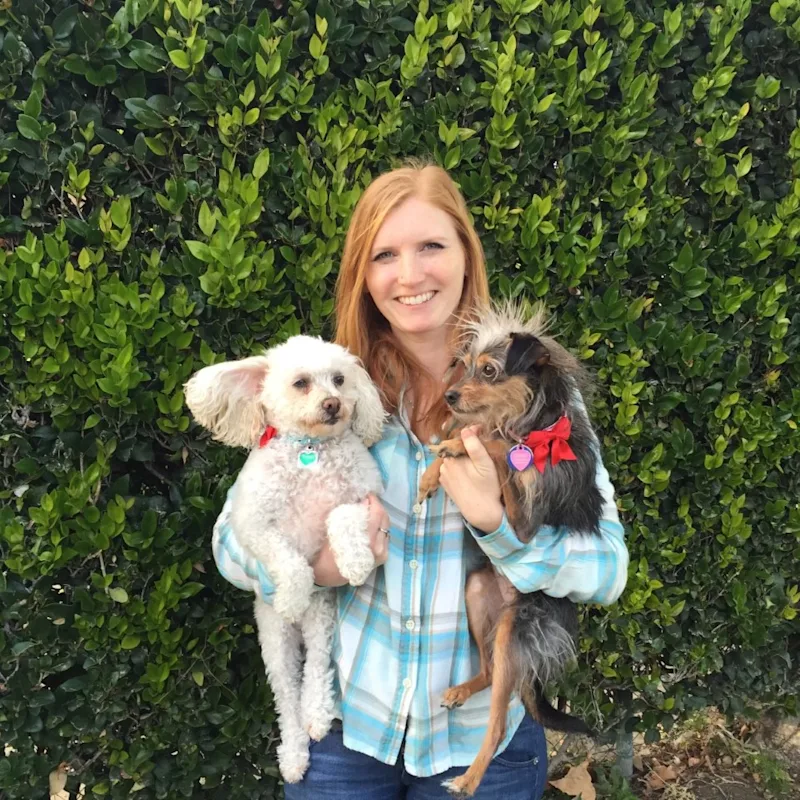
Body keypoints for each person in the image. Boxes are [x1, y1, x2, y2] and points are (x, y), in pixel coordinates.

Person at [211, 159, 628, 799]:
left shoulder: (533, 400)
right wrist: (312, 568)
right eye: (384, 255)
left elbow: (606, 568)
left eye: (431, 246)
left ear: (466, 254)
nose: (409, 275)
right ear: (364, 276)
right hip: (347, 732)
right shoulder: (332, 393)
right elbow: (231, 544)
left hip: (477, 742)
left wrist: (500, 529)